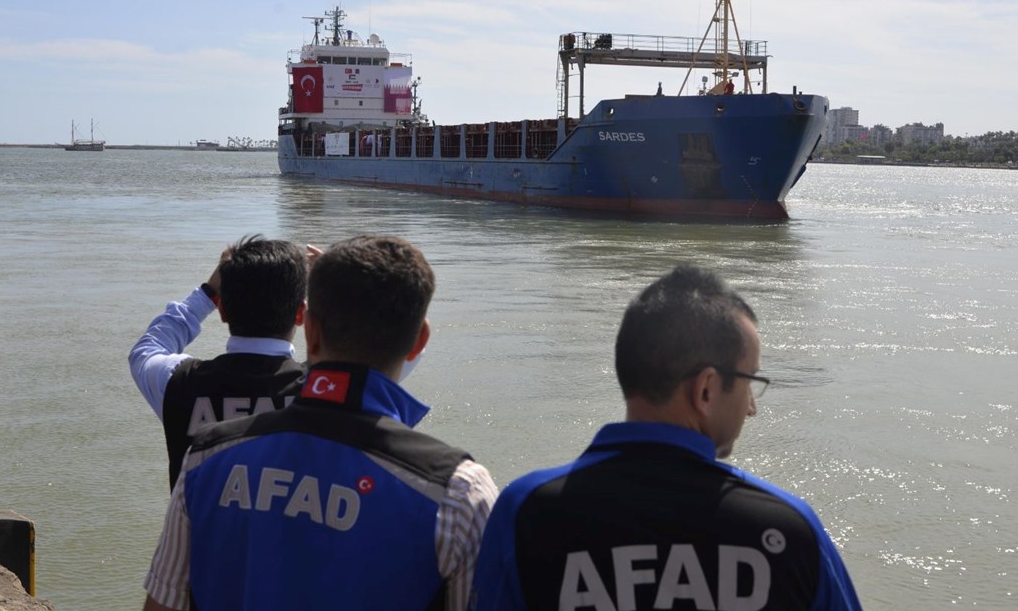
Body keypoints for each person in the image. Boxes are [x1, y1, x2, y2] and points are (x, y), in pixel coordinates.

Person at [471, 265, 861, 611]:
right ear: (706, 389)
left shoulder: (526, 512)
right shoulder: (787, 531)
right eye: (750, 382)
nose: (752, 408)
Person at [143, 235, 498, 611]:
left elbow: (147, 350)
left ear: (310, 329)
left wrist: (208, 292)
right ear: (420, 339)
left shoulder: (204, 458)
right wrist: (361, 291)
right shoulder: (455, 494)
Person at [129, 235, 308, 490]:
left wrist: (208, 294)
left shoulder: (181, 381)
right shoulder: (329, 390)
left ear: (222, 310)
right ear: (300, 314)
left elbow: (146, 350)